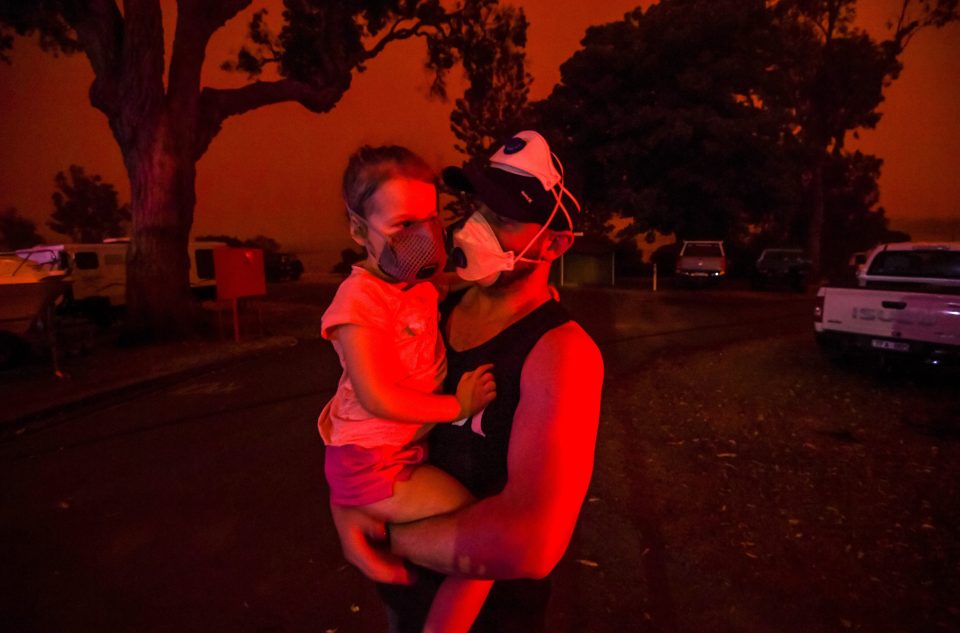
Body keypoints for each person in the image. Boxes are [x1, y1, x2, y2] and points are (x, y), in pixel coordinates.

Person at [329, 131, 604, 632]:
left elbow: (529, 544)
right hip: (400, 599)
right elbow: (362, 412)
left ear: (555, 242)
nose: (474, 227)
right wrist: (345, 501)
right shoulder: (429, 306)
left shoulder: (561, 355)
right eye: (478, 207)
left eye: (501, 218)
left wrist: (381, 532)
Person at [318, 145, 500, 632]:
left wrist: (504, 279)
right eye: (403, 226)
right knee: (474, 522)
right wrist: (454, 406)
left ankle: (359, 531)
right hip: (373, 460)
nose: (423, 236)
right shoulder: (358, 303)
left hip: (393, 451)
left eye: (430, 219)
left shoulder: (414, 283)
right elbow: (377, 398)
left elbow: (444, 289)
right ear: (359, 230)